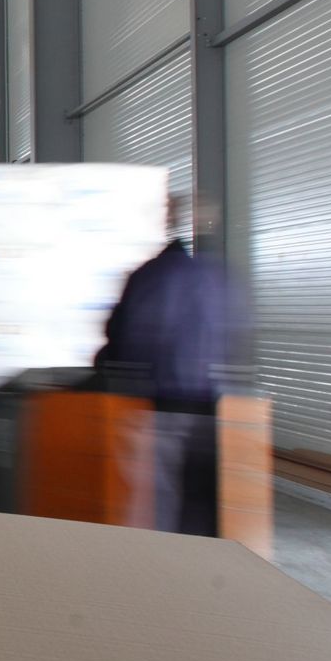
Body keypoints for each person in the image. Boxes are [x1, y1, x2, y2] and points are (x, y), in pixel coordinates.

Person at [94, 193, 251, 535]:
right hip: (210, 408)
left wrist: (104, 371)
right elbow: (236, 341)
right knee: (202, 501)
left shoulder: (148, 276)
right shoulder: (221, 278)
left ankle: (157, 558)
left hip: (158, 406)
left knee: (153, 501)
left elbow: (119, 338)